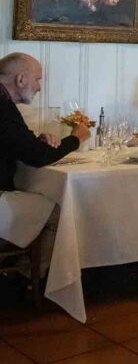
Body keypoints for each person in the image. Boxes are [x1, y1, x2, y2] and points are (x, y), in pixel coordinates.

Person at [0, 53, 89, 252]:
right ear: (21, 79)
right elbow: (37, 157)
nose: (39, 87)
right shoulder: (3, 107)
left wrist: (39, 141)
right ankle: (37, 277)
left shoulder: (4, 103)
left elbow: (20, 144)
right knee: (64, 213)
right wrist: (76, 138)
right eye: (38, 79)